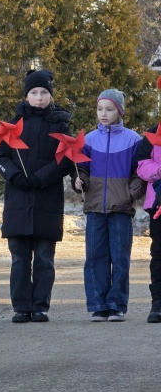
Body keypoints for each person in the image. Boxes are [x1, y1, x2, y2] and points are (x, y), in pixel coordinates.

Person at [0, 68, 72, 323]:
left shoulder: (60, 125)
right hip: (18, 201)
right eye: (34, 92)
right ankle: (21, 306)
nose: (39, 98)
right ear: (26, 95)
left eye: (44, 93)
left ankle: (40, 306)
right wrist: (15, 176)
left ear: (51, 95)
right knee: (19, 259)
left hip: (47, 201)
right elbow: (0, 156)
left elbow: (66, 159)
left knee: (45, 259)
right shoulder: (12, 126)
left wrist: (41, 178)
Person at [73, 89, 144, 322]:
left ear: (120, 111)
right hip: (94, 208)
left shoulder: (133, 140)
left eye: (110, 109)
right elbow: (81, 169)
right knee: (95, 257)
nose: (103, 113)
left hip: (121, 208)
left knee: (120, 258)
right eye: (100, 109)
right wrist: (79, 181)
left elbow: (140, 172)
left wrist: (131, 193)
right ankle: (98, 305)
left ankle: (116, 305)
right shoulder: (89, 140)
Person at [135, 87, 161, 323]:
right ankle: (158, 303)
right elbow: (142, 166)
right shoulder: (152, 135)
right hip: (158, 207)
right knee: (159, 255)